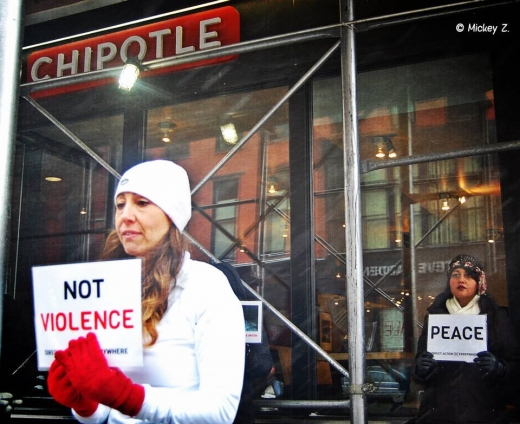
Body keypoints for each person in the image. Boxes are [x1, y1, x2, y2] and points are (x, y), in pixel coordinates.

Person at [46, 160, 246, 423]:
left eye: (142, 203)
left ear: (171, 214)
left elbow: (220, 413)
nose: (125, 215)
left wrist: (128, 396)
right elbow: (106, 411)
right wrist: (85, 405)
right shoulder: (107, 287)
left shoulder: (206, 285)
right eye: (120, 204)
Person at [412, 254, 520, 424]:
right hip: (439, 414)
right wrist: (421, 368)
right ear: (449, 281)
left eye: (468, 275)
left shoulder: (496, 317)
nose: (461, 279)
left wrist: (500, 368)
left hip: (484, 414)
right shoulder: (435, 316)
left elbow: (514, 364)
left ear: (479, 281)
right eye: (455, 274)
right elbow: (419, 367)